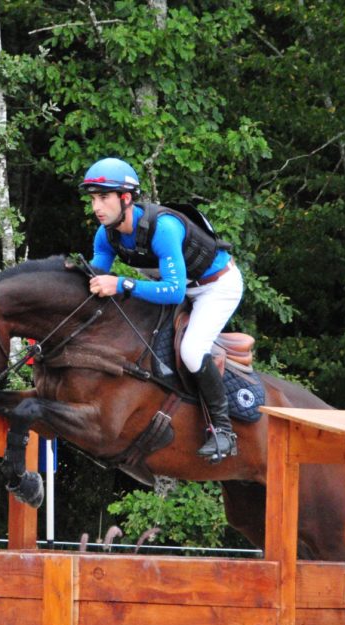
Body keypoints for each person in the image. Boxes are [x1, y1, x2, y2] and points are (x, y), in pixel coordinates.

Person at [80, 157, 244, 462]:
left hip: (215, 287)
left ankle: (223, 432)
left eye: (103, 198)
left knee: (193, 350)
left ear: (125, 198)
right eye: (93, 199)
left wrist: (122, 284)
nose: (96, 207)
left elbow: (174, 291)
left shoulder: (163, 228)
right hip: (174, 288)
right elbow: (92, 281)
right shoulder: (106, 235)